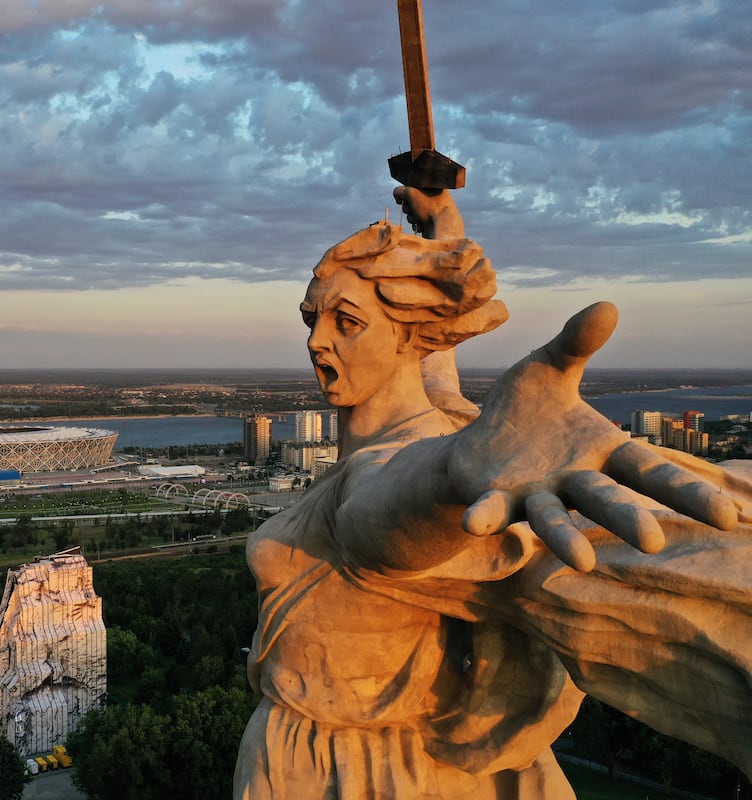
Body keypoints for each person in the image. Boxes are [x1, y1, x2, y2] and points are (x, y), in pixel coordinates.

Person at [233, 191, 752, 799]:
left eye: (346, 322)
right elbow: (438, 369)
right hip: (382, 758)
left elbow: (382, 515)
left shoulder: (398, 465)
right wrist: (442, 230)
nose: (317, 341)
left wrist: (456, 470)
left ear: (406, 339)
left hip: (349, 772)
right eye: (311, 318)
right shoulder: (446, 413)